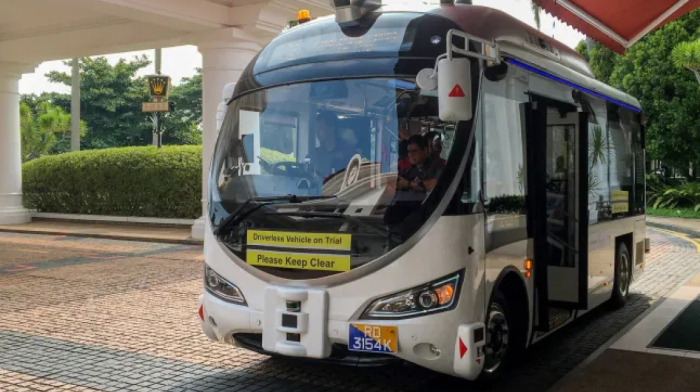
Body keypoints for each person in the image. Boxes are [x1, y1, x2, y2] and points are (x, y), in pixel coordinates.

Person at [313, 112, 355, 178]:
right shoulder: (315, 155)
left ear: (331, 129)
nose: (317, 132)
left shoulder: (347, 153)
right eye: (316, 128)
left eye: (320, 128)